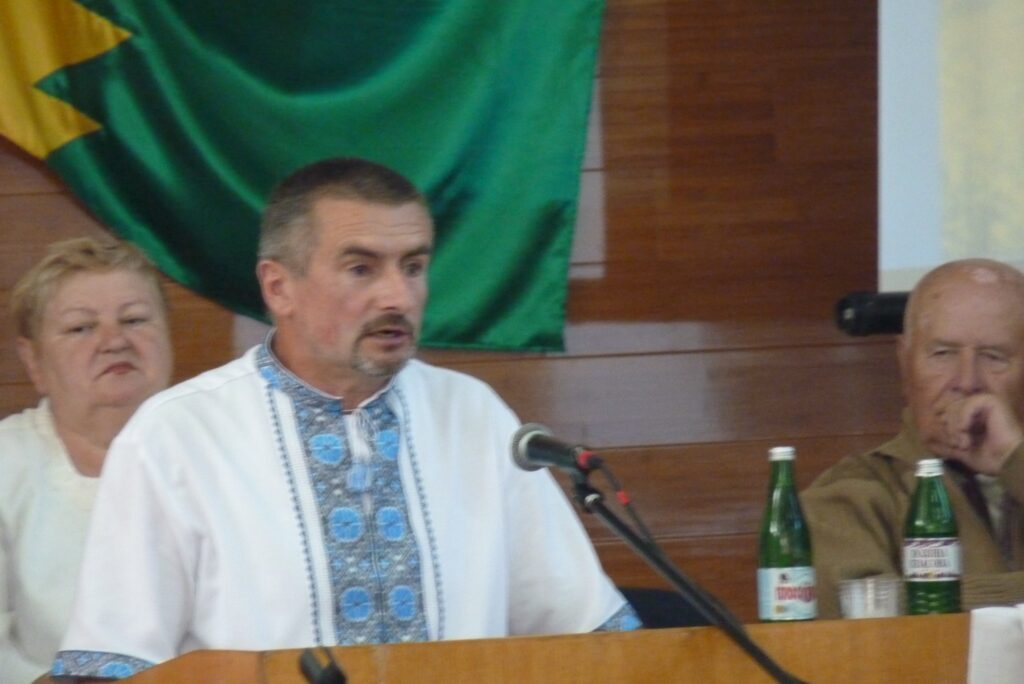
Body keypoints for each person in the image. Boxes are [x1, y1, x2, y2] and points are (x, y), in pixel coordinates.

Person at [53, 157, 639, 678]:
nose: (398, 297)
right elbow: (111, 667)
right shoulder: (177, 436)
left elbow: (590, 636)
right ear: (278, 287)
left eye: (413, 267)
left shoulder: (473, 416)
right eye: (362, 269)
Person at [801, 258, 1024, 618]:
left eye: (993, 356)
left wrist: (1015, 459)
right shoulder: (849, 495)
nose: (967, 381)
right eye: (942, 354)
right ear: (905, 362)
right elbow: (869, 617)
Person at [0, 238, 173, 683]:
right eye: (81, 328)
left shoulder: (230, 448)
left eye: (134, 320)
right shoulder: (6, 465)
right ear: (34, 360)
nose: (115, 341)